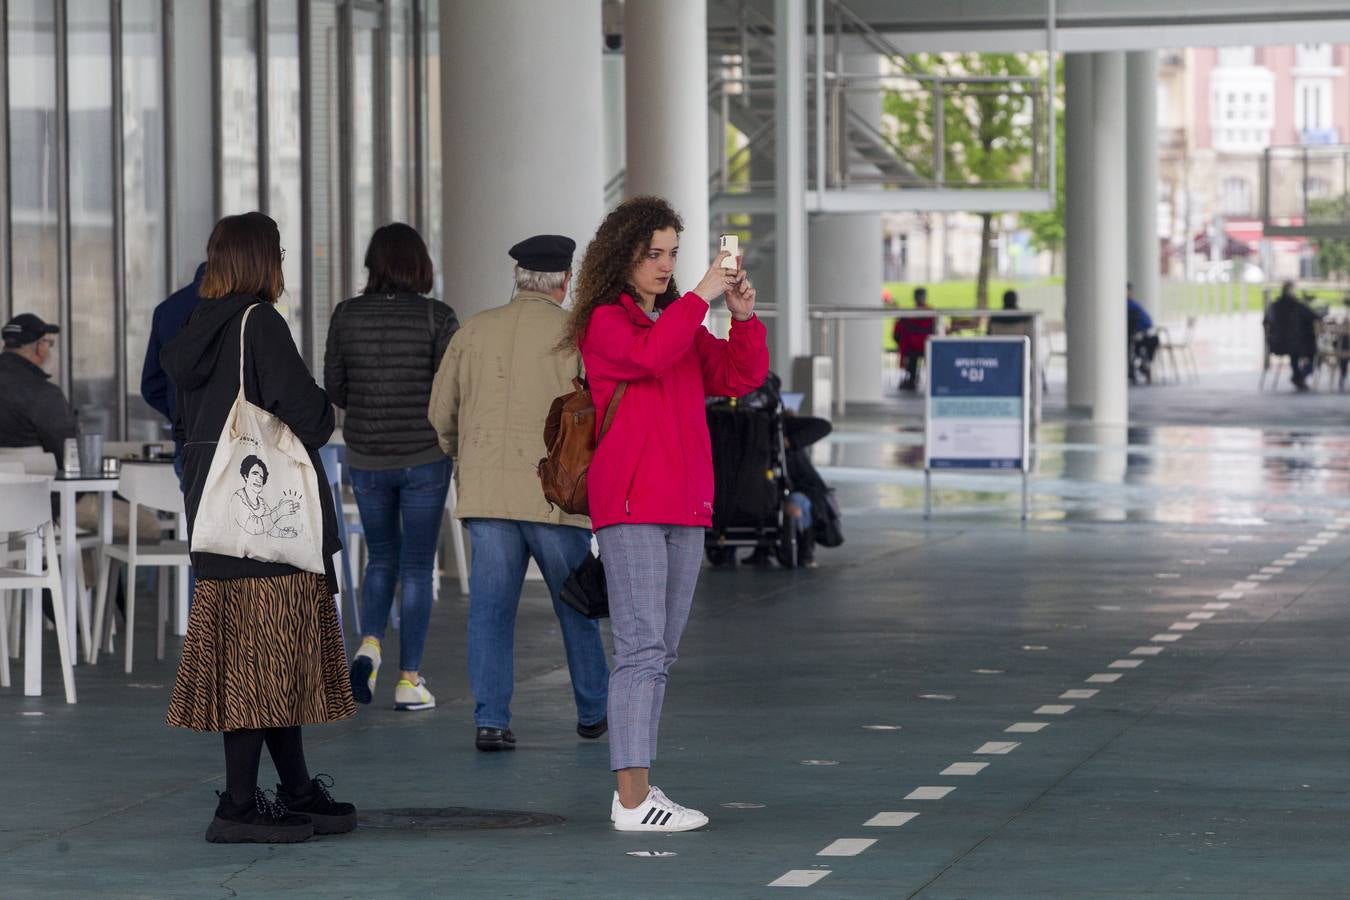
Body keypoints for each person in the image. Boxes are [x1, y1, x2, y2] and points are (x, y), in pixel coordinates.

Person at [562, 195, 768, 832]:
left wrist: (741, 317)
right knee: (641, 651)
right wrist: (700, 294)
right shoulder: (605, 323)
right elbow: (648, 357)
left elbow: (737, 377)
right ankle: (631, 799)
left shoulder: (680, 323)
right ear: (621, 256)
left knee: (660, 651)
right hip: (630, 504)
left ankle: (638, 789)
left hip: (684, 505)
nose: (664, 264)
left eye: (672, 254)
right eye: (653, 253)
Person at [162, 212, 356, 844]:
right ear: (262, 260)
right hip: (268, 527)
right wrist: (326, 405)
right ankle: (238, 808)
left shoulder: (194, 326)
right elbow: (310, 416)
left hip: (218, 522)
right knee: (259, 669)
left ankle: (295, 789)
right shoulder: (258, 323)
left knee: (261, 664)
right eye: (278, 252)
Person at [427, 233, 609, 752]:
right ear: (566, 280)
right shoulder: (578, 333)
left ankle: (491, 719)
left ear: (517, 276)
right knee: (575, 601)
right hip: (555, 492)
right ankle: (593, 711)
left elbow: (441, 412)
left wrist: (462, 452)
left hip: (487, 492)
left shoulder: (475, 330)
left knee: (490, 609)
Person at [325, 222, 458, 713]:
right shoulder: (437, 317)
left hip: (367, 456)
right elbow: (451, 391)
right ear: (420, 264)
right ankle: (409, 680)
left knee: (380, 558)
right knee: (418, 566)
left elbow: (334, 388)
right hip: (425, 456)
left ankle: (370, 645)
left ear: (373, 263)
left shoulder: (346, 315)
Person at [141, 262, 206, 477]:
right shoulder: (240, 307)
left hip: (186, 444)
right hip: (236, 445)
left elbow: (151, 385)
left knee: (195, 509)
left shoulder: (167, 309)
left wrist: (180, 415)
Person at [0, 314, 77, 465]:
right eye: (49, 343)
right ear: (39, 347)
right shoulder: (44, 393)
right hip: (35, 486)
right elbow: (68, 455)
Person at [1264, 281, 1320, 392]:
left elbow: (1265, 322)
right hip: (1296, 344)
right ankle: (1299, 376)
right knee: (1314, 351)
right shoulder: (1298, 306)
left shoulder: (1274, 306)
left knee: (1295, 350)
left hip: (1277, 343)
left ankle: (1298, 376)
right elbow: (1314, 316)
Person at [893, 287, 937, 391]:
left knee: (911, 354)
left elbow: (897, 333)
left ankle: (911, 380)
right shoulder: (932, 313)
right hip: (926, 346)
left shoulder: (909, 315)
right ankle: (916, 379)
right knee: (913, 353)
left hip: (913, 347)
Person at [1127, 282, 1159, 384]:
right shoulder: (1128, 305)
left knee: (1152, 340)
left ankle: (1143, 365)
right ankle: (1141, 366)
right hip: (1133, 335)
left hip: (1139, 334)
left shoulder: (1133, 304)